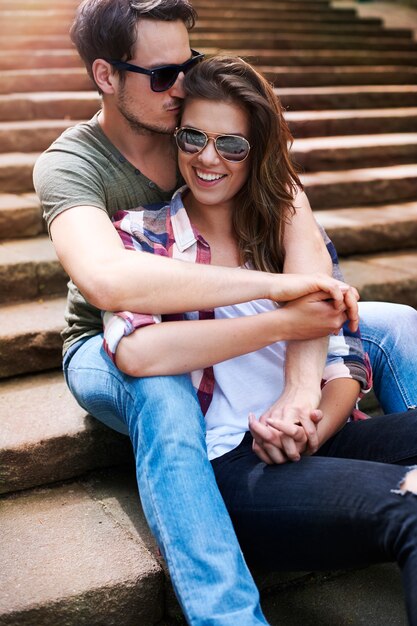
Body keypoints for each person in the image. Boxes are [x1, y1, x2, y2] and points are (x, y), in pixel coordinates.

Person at [32, 0, 417, 623]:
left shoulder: (260, 178)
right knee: (163, 396)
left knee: (394, 323)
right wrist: (278, 297)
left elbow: (326, 313)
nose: (181, 86)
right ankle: (226, 614)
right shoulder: (78, 167)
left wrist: (301, 396)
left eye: (190, 64)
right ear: (107, 76)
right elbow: (111, 283)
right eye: (162, 75)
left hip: (263, 349)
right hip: (104, 342)